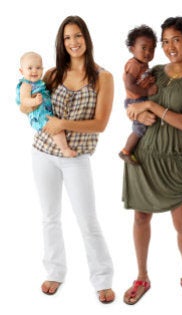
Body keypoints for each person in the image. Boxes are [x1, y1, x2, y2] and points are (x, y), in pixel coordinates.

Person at [18, 15, 115, 303]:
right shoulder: (51, 74)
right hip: (43, 153)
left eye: (78, 36)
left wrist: (63, 124)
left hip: (76, 157)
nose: (73, 42)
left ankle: (102, 279)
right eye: (67, 38)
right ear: (62, 43)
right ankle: (55, 272)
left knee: (88, 220)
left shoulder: (103, 77)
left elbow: (100, 124)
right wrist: (27, 105)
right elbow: (28, 108)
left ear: (87, 37)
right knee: (50, 217)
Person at [122, 16, 182, 305]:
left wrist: (151, 106)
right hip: (143, 155)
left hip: (174, 159)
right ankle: (141, 277)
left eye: (176, 39)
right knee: (140, 217)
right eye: (165, 41)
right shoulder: (155, 71)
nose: (170, 46)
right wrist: (136, 111)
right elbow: (132, 100)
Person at [17, 51, 77, 158]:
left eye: (38, 67)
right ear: (22, 71)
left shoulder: (40, 82)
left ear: (42, 69)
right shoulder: (26, 85)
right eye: (30, 68)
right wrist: (34, 101)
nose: (34, 71)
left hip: (45, 111)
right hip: (39, 115)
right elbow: (24, 100)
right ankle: (65, 150)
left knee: (57, 128)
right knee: (56, 130)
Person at [119, 25, 158, 165]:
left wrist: (149, 81)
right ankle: (125, 152)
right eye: (144, 48)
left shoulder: (144, 65)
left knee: (147, 123)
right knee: (139, 129)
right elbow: (129, 85)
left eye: (152, 49)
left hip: (140, 99)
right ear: (132, 49)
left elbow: (141, 80)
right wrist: (147, 92)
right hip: (134, 101)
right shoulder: (134, 64)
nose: (148, 52)